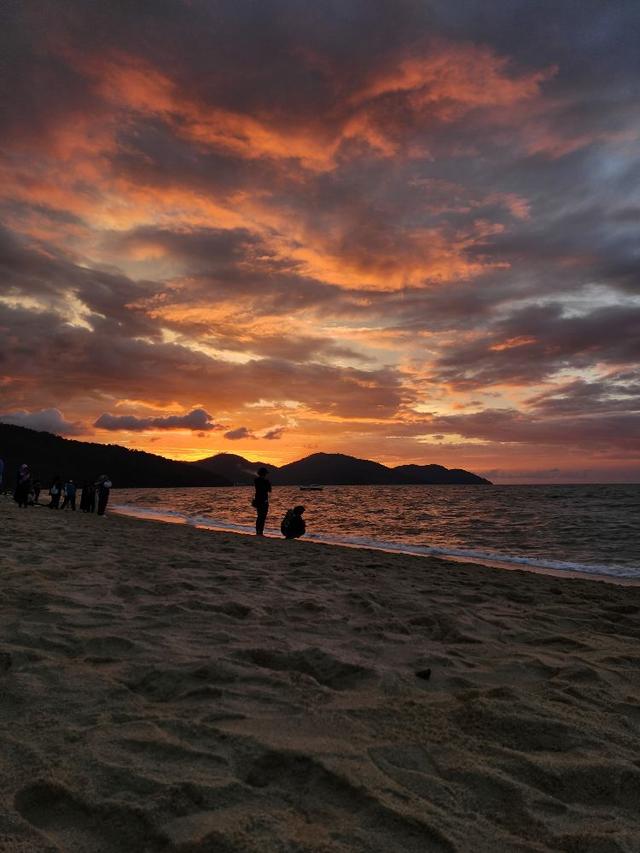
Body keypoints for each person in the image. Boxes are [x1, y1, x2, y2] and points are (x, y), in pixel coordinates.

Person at [253, 466, 271, 536]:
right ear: (265, 474)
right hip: (264, 500)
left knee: (259, 516)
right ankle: (261, 532)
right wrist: (268, 482)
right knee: (263, 517)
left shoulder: (256, 480)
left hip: (257, 500)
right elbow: (269, 490)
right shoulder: (266, 481)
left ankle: (258, 531)